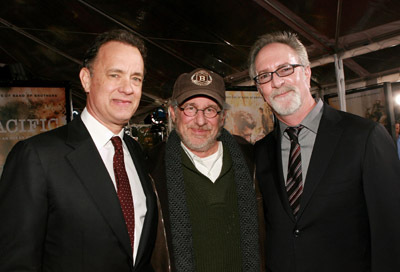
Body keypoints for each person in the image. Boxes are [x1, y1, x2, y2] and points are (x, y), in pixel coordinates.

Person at [0, 29, 157, 271]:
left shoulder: (134, 151)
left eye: (136, 78)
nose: (128, 88)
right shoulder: (37, 156)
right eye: (115, 75)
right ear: (86, 79)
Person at [248, 31, 400, 272]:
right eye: (264, 76)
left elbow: (391, 235)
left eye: (285, 69)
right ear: (259, 89)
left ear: (307, 72)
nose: (276, 82)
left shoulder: (364, 137)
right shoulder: (261, 151)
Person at [148, 68, 265, 272]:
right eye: (191, 108)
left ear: (222, 117)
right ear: (174, 113)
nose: (200, 121)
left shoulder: (252, 160)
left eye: (210, 109)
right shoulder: (151, 169)